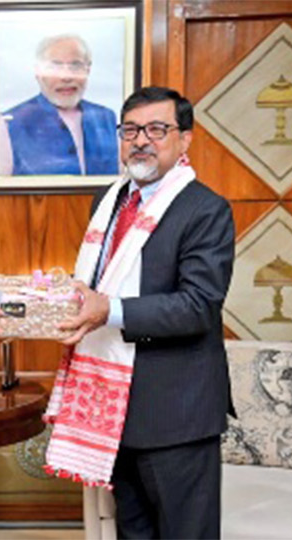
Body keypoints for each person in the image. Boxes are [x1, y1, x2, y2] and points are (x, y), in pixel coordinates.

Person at [48, 86, 236, 539]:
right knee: (131, 531)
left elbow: (198, 306)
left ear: (185, 139)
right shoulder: (109, 201)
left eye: (157, 128)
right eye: (130, 129)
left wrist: (106, 309)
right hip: (114, 407)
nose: (141, 140)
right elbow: (102, 282)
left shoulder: (205, 210)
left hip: (176, 411)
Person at [0, 34, 120, 176]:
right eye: (55, 67)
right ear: (38, 72)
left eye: (76, 66)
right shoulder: (9, 123)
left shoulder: (107, 118)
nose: (66, 77)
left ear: (88, 70)